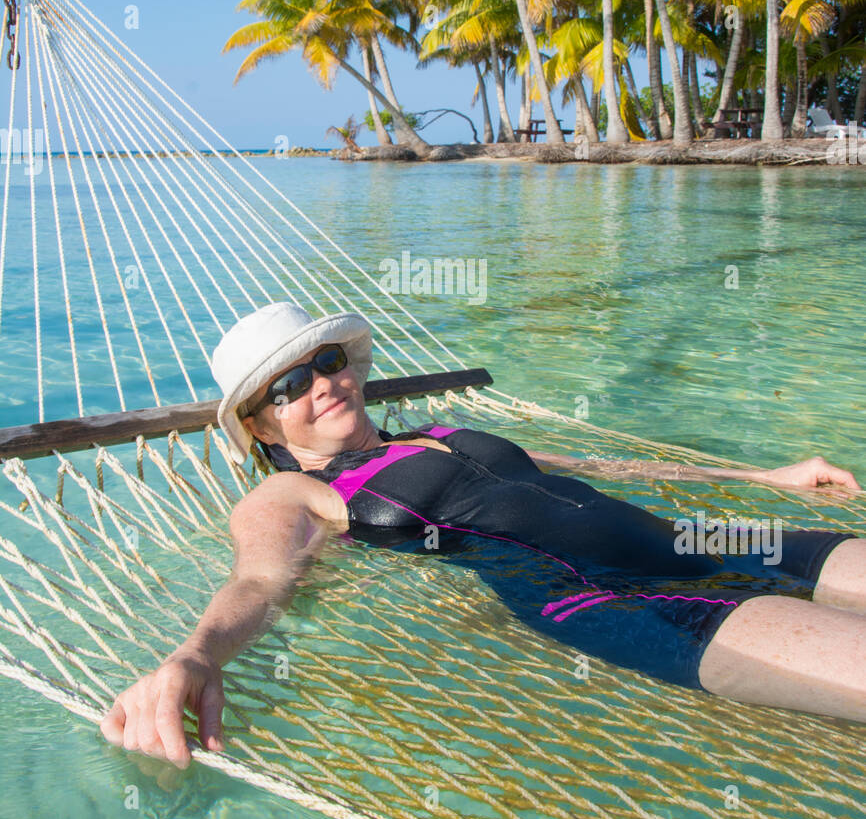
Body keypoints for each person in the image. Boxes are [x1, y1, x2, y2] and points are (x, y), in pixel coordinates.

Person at [100, 302, 866, 769]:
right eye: (289, 385)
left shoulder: (437, 431)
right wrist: (194, 656)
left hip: (689, 541)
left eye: (326, 361)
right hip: (614, 597)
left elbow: (593, 464)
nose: (322, 384)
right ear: (262, 423)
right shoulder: (294, 490)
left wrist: (767, 475)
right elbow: (260, 580)